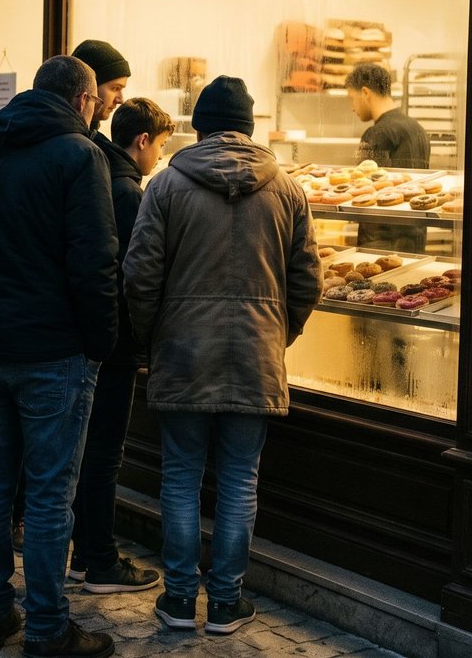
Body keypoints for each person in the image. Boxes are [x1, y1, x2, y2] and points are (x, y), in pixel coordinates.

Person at [123, 76, 320, 637]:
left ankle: (181, 600)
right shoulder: (285, 188)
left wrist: (149, 338)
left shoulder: (165, 186)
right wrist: (277, 334)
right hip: (254, 354)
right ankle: (227, 603)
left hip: (183, 352)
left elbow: (140, 276)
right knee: (239, 480)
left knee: (182, 478)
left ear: (201, 126)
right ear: (249, 126)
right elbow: (308, 280)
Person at [0, 55, 118, 658]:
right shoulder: (79, 155)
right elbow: (94, 263)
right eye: (96, 101)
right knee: (47, 494)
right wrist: (100, 341)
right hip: (54, 350)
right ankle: (47, 627)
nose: (97, 111)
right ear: (82, 99)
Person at [64, 39, 163, 597]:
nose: (115, 99)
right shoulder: (117, 182)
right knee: (100, 454)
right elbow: (116, 272)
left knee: (69, 456)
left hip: (54, 337)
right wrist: (119, 338)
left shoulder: (84, 158)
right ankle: (95, 558)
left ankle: (81, 555)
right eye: (115, 89)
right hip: (102, 341)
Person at [346, 62, 430, 253]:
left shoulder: (377, 133)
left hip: (381, 240)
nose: (352, 107)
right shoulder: (418, 129)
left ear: (365, 92)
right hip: (415, 237)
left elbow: (364, 189)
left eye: (352, 98)